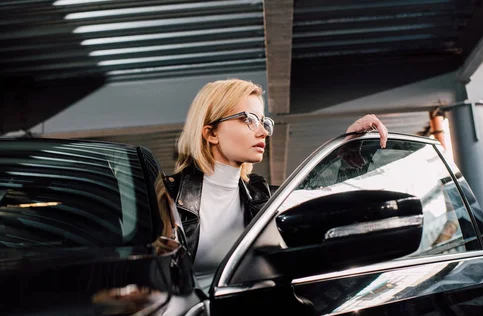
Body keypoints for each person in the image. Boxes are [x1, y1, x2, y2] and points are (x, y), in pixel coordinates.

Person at [165, 78, 388, 291]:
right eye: (248, 119)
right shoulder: (164, 198)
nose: (263, 132)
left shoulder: (264, 198)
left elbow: (326, 203)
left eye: (263, 122)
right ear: (211, 133)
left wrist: (348, 154)